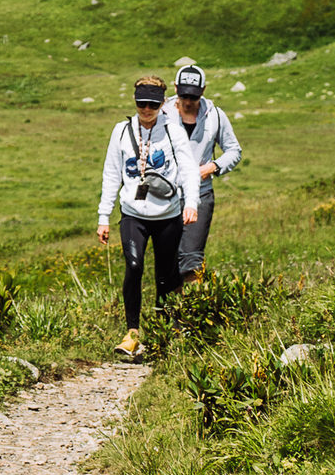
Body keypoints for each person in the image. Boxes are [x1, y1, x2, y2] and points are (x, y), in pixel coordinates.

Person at [97, 74, 187, 359]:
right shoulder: (121, 131)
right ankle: (132, 332)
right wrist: (103, 216)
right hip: (133, 211)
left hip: (167, 213)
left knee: (165, 275)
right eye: (141, 104)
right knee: (134, 265)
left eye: (152, 104)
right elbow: (112, 174)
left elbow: (186, 170)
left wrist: (190, 202)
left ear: (162, 104)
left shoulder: (173, 131)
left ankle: (164, 330)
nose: (146, 110)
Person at [169, 61, 241, 285]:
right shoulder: (162, 113)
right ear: (175, 89)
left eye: (194, 97)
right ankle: (168, 315)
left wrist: (212, 167)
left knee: (191, 259)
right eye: (184, 96)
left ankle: (192, 313)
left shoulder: (215, 116)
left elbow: (234, 150)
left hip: (201, 195)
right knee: (168, 261)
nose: (188, 102)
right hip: (166, 196)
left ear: (203, 91)